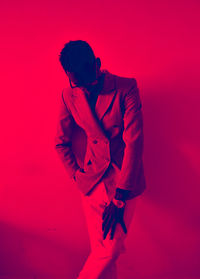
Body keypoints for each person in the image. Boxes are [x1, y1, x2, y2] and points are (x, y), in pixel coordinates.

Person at [54, 40, 146, 279]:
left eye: (89, 80)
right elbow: (60, 142)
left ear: (97, 64)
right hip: (91, 183)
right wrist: (76, 176)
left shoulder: (126, 87)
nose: (85, 88)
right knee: (103, 252)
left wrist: (120, 198)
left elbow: (134, 142)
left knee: (109, 251)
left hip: (123, 181)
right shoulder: (68, 95)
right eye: (77, 82)